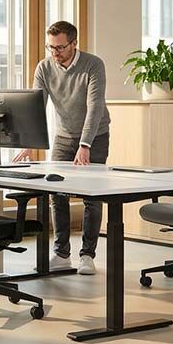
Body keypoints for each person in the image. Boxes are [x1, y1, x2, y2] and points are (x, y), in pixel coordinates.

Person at [30, 21, 109, 275]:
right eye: (50, 47)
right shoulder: (44, 68)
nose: (55, 52)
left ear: (74, 43)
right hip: (63, 136)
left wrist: (85, 144)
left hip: (95, 136)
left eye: (60, 47)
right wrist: (29, 144)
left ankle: (87, 255)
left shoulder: (93, 65)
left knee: (92, 196)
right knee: (57, 193)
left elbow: (95, 106)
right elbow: (35, 107)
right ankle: (62, 254)